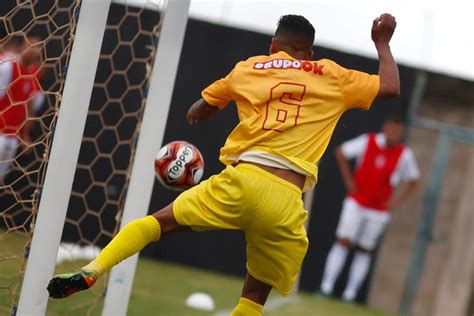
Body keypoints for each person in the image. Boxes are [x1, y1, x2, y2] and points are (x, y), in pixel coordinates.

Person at [47, 13, 399, 315]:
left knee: (157, 224)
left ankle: (94, 268)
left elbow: (199, 109)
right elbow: (390, 88)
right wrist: (381, 41)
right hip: (285, 199)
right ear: (309, 52)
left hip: (241, 181)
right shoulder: (330, 75)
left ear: (274, 46)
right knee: (256, 295)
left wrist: (211, 108)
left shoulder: (249, 68)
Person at [318, 114, 420, 302]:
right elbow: (341, 152)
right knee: (343, 241)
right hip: (356, 202)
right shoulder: (368, 141)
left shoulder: (404, 155)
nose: (394, 133)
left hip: (379, 209)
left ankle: (350, 294)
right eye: (392, 128)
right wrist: (349, 181)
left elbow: (414, 179)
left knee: (365, 249)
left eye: (398, 131)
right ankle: (326, 287)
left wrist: (396, 201)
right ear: (385, 126)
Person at [0, 34, 43, 184]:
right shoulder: (8, 67)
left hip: (12, 138)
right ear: (22, 47)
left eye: (38, 47)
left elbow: (28, 110)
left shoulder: (32, 77)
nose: (34, 51)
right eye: (31, 46)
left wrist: (25, 136)